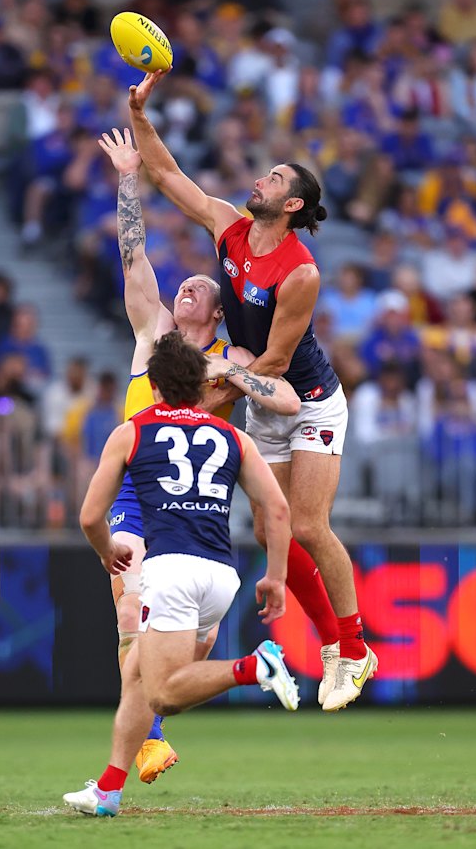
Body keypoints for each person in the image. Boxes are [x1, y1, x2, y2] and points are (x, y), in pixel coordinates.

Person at [129, 71, 378, 712]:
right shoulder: (232, 231)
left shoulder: (300, 271)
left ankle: (353, 648)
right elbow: (169, 177)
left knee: (312, 524)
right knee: (278, 527)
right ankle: (335, 646)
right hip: (260, 393)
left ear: (292, 203)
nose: (260, 180)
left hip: (309, 397)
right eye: (264, 174)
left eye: (274, 178)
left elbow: (273, 361)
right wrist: (140, 116)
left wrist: (215, 377)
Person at [88, 126, 302, 786]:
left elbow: (284, 398)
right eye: (181, 287)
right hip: (134, 495)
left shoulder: (228, 363)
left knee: (165, 666)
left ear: (216, 312)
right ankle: (141, 750)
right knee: (130, 615)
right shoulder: (152, 335)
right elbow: (132, 257)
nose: (184, 291)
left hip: (194, 513)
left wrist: (241, 376)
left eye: (198, 291)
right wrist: (129, 177)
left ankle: (145, 739)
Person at [63, 330, 299, 817]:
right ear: (203, 386)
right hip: (222, 576)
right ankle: (108, 790)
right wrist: (275, 576)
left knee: (163, 694)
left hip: (171, 571)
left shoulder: (133, 430)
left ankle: (255, 667)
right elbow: (277, 509)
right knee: (135, 674)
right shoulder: (233, 436)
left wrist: (107, 550)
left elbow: (90, 516)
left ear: (154, 384)